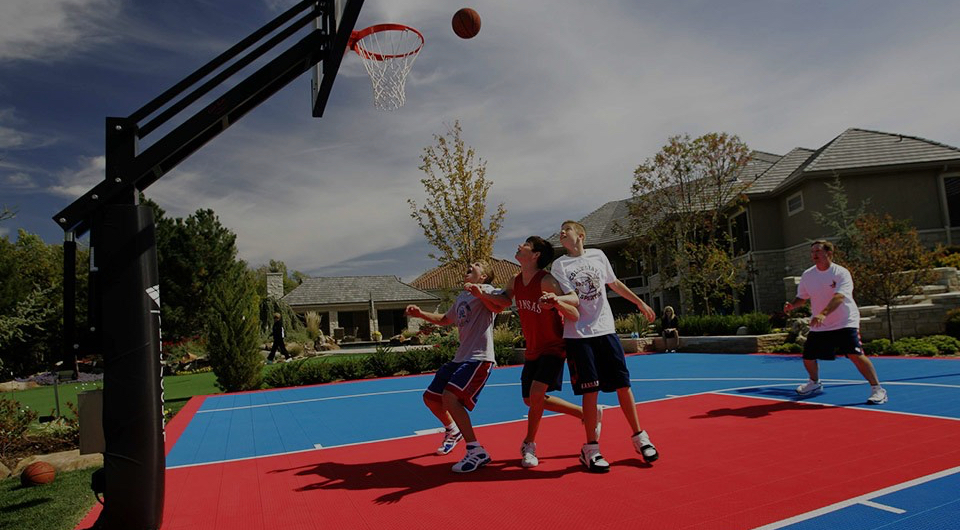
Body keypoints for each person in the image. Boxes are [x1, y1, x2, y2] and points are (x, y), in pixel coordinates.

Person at [543, 220, 660, 473]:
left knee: (623, 385)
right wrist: (557, 300)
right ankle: (591, 449)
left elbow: (614, 283)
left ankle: (640, 438)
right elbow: (573, 297)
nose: (562, 232)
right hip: (578, 335)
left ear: (581, 235)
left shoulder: (598, 255)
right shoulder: (560, 264)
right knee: (590, 390)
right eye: (560, 230)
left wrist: (640, 303)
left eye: (567, 229)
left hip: (605, 330)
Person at [467, 236, 592, 468]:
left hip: (554, 346)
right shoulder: (515, 280)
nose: (518, 246)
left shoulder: (547, 282)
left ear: (534, 255)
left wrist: (555, 302)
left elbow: (574, 309)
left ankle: (529, 444)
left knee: (535, 394)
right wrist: (481, 294)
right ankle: (583, 414)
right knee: (530, 399)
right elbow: (503, 301)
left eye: (524, 245)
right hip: (533, 349)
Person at [405, 260, 501, 473]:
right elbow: (444, 319)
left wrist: (480, 293)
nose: (471, 264)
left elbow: (501, 305)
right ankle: (452, 429)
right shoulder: (462, 296)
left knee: (450, 398)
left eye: (477, 264)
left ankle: (476, 450)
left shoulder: (487, 290)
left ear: (483, 276)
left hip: (479, 358)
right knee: (431, 398)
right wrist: (420, 314)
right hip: (460, 357)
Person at [784, 240, 888, 405]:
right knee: (808, 356)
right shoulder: (808, 275)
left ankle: (877, 389)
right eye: (812, 252)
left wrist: (823, 313)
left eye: (818, 251)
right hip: (821, 324)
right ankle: (814, 383)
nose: (814, 255)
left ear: (829, 253)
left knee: (855, 355)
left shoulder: (841, 273)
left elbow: (840, 296)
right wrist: (792, 305)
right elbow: (802, 297)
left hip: (845, 321)